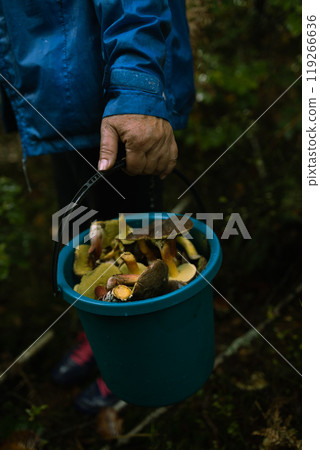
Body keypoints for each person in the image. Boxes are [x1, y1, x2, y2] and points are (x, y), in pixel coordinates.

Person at [0, 0, 195, 413]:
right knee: (81, 228)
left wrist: (137, 85)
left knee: (137, 237)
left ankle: (143, 355)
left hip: (113, 83)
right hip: (57, 89)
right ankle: (105, 333)